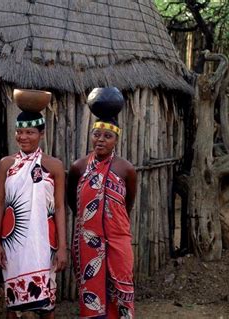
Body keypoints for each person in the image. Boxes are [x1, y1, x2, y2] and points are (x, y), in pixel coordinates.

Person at [68, 90, 137, 319]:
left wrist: (110, 221)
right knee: (92, 290)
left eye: (107, 136)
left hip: (118, 238)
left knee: (121, 288)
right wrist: (92, 223)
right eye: (97, 134)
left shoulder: (126, 169)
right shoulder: (78, 167)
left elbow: (128, 205)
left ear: (116, 139)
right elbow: (74, 202)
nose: (101, 140)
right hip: (89, 240)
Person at [0, 111, 68, 318]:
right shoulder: (6, 164)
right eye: (19, 132)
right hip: (12, 242)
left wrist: (62, 247)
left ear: (41, 134)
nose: (23, 137)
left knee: (47, 303)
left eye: (30, 132)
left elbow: (60, 207)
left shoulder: (54, 165)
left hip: (44, 241)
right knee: (13, 303)